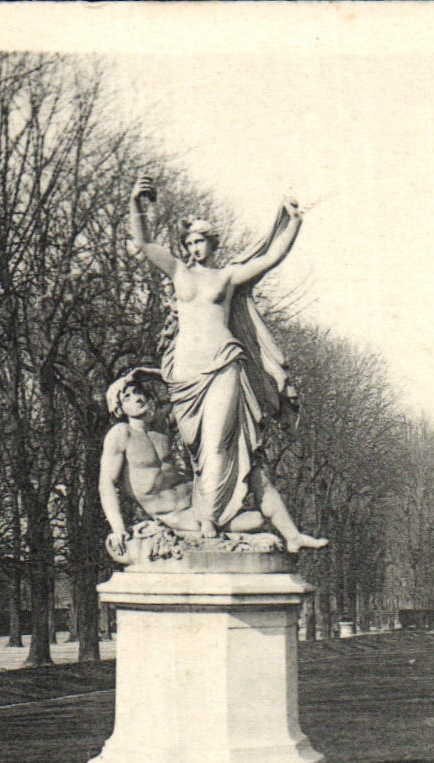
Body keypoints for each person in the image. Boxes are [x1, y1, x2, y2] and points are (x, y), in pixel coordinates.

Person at [126, 176, 327, 551]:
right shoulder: (178, 273)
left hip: (223, 364)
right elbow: (144, 242)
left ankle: (208, 519)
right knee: (198, 450)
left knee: (219, 443)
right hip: (185, 378)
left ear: (212, 243)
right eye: (189, 242)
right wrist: (137, 203)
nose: (193, 247)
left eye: (200, 241)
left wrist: (294, 221)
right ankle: (214, 512)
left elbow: (272, 257)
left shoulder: (228, 276)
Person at [101, 369, 276, 559]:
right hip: (173, 515)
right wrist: (117, 527)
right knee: (253, 521)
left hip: (199, 499)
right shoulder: (120, 434)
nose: (136, 398)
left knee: (258, 515)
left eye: (138, 392)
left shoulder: (161, 427)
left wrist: (153, 374)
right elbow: (107, 483)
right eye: (127, 397)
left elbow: (193, 392)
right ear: (119, 408)